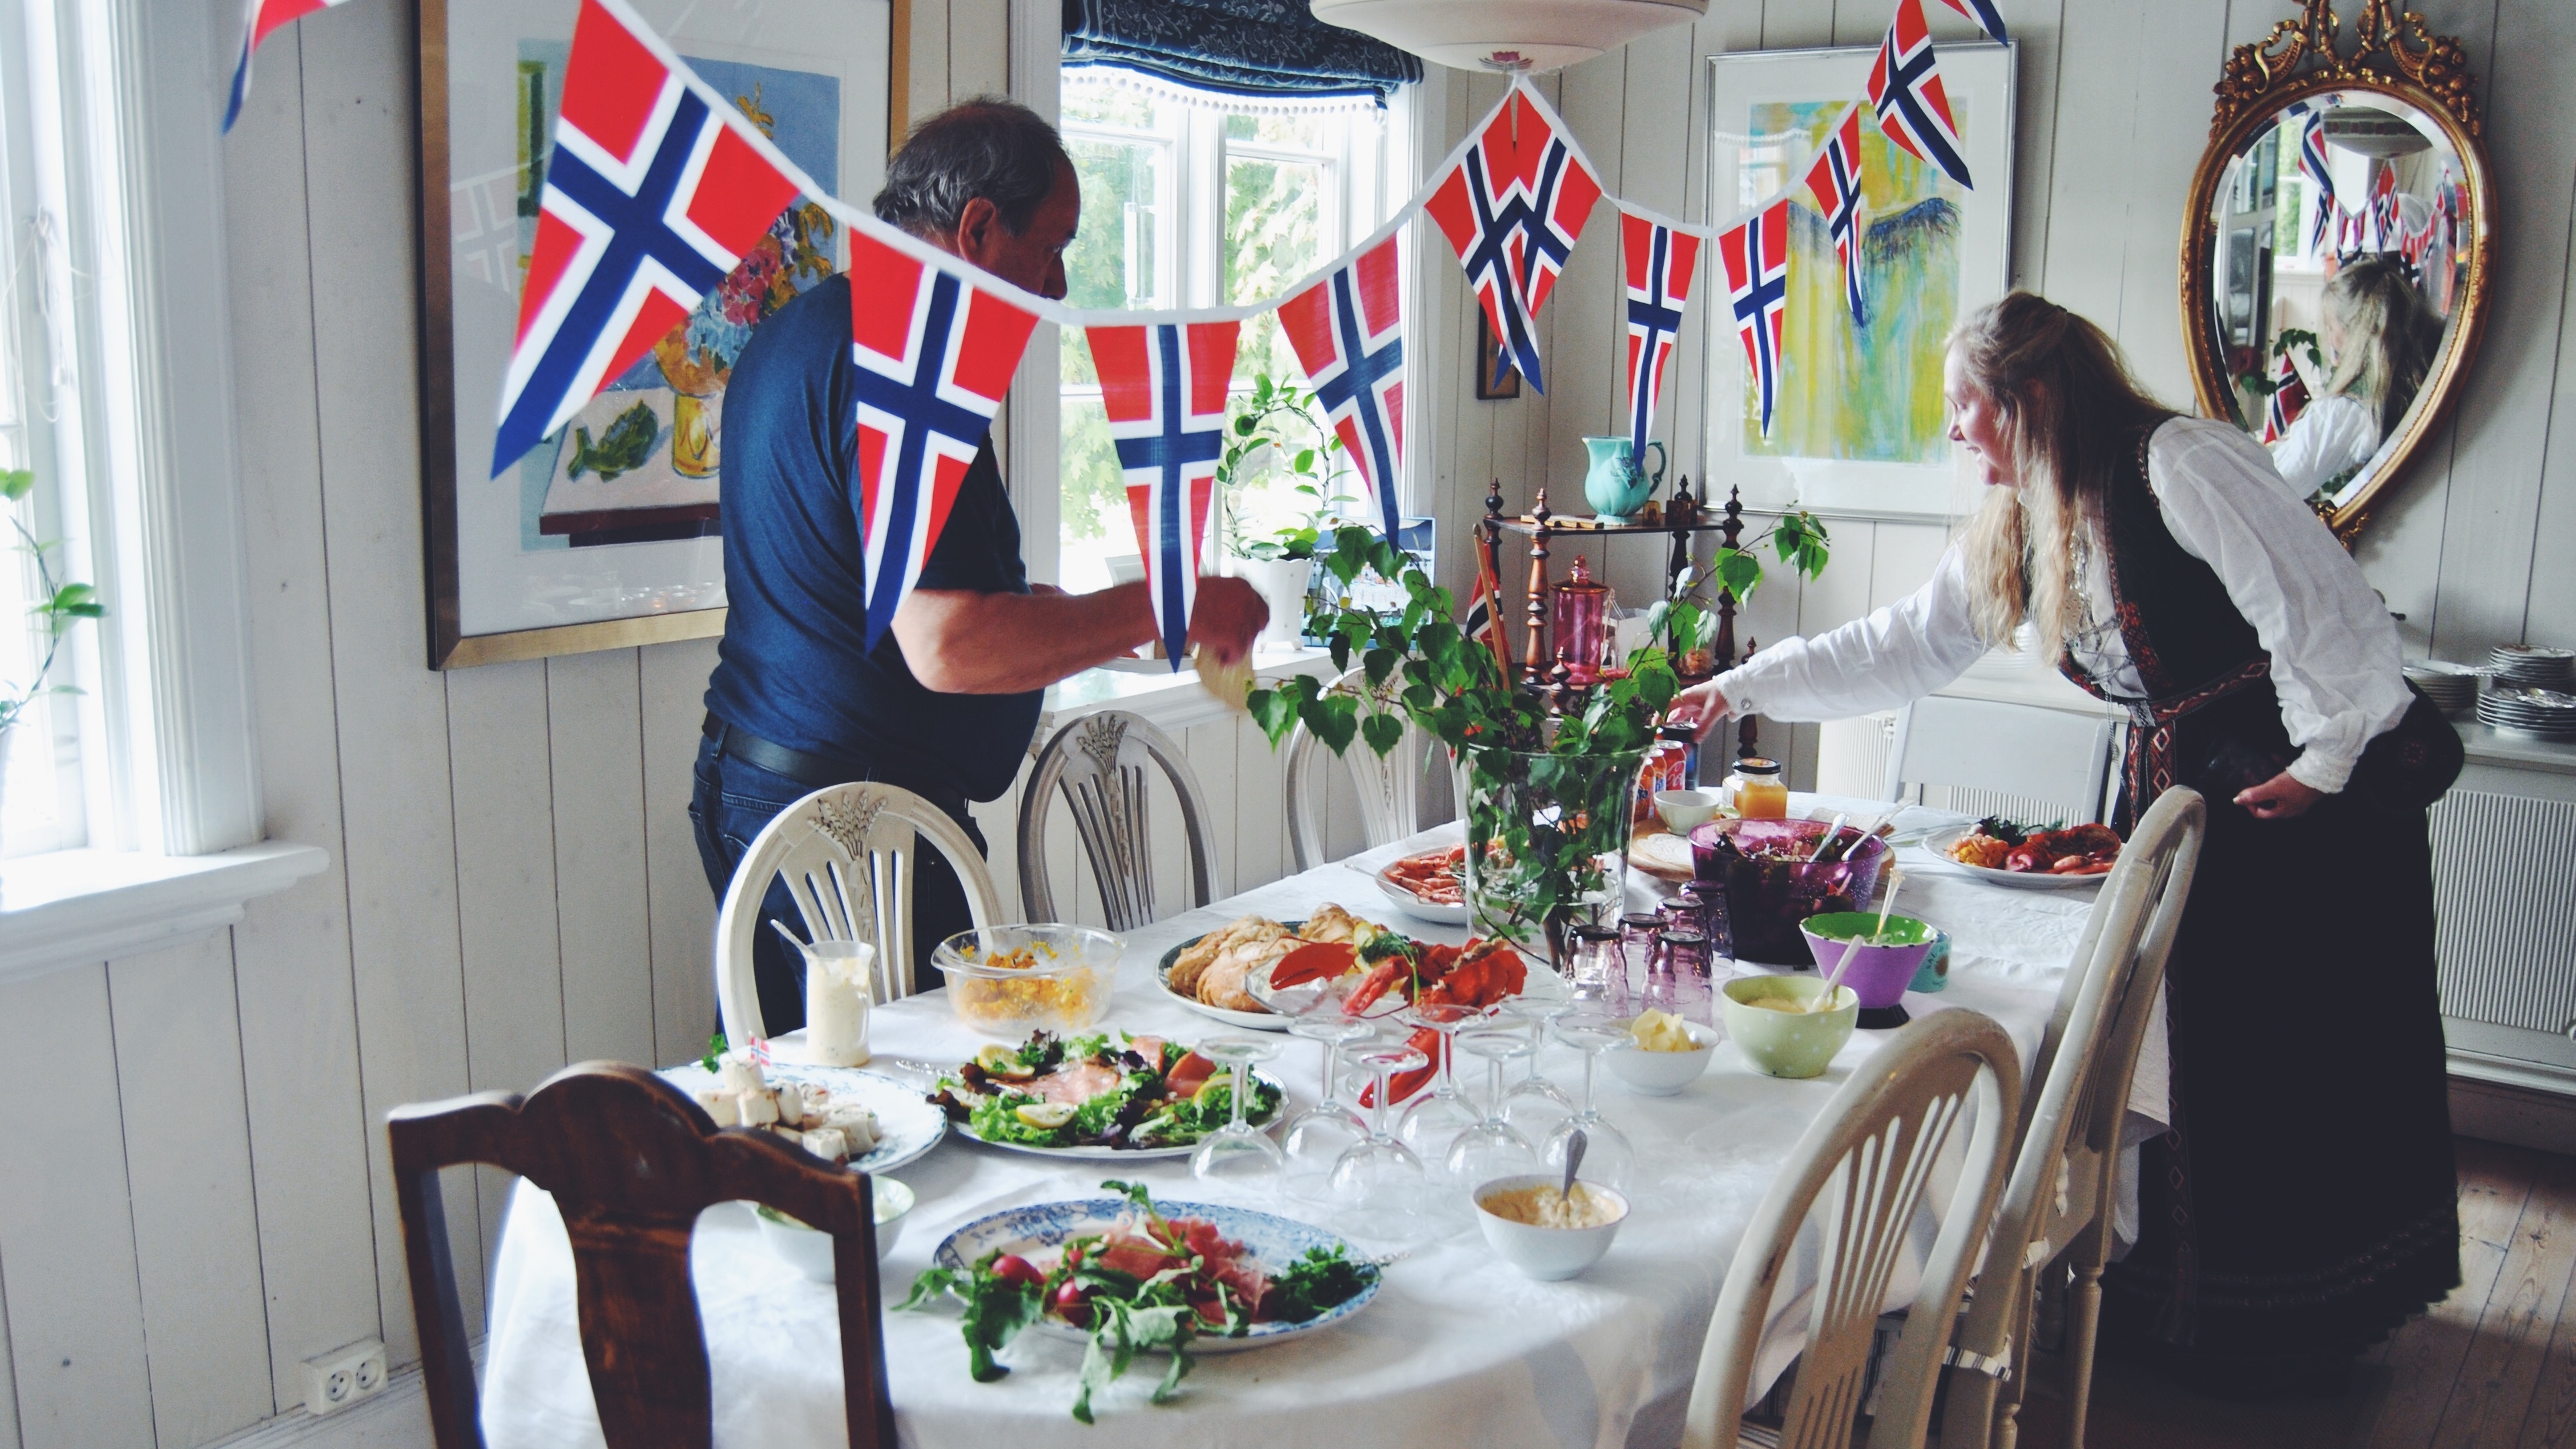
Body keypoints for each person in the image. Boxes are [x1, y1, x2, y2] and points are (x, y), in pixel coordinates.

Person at [1671, 293, 2457, 1399]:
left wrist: (2325, 758)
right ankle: (2173, 1305)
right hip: (2182, 799)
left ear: (2031, 396)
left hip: (2290, 805)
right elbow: (1900, 647)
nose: (1955, 431)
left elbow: (2316, 602)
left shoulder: (2179, 464)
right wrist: (1743, 685)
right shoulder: (2022, 518)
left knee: (2276, 1053)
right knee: (2184, 1034)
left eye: (1966, 406)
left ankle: (2294, 1332)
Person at [692, 99, 1267, 1034]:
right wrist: (1176, 600)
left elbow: (903, 595)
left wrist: (1095, 619)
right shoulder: (908, 364)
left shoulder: (812, 329)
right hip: (851, 824)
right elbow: (950, 644)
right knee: (903, 1096)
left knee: (797, 1088)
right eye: (1051, 246)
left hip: (763, 784)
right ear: (978, 226)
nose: (1058, 280)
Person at [2269, 256, 2444, 500]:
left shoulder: (2347, 412)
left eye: (2332, 328)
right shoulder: (2430, 380)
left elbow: (2275, 485)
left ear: (2353, 331)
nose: (2331, 340)